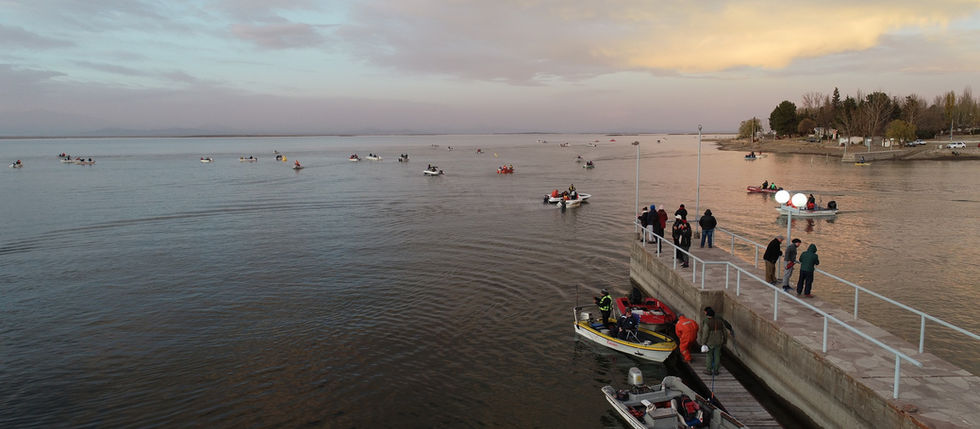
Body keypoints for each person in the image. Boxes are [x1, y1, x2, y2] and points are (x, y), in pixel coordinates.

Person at [698, 307, 733, 375]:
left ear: (708, 315)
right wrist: (725, 341)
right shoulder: (719, 321)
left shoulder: (707, 322)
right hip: (719, 342)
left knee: (709, 356)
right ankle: (716, 370)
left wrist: (703, 343)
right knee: (717, 356)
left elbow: (705, 334)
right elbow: (724, 332)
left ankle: (709, 370)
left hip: (710, 342)